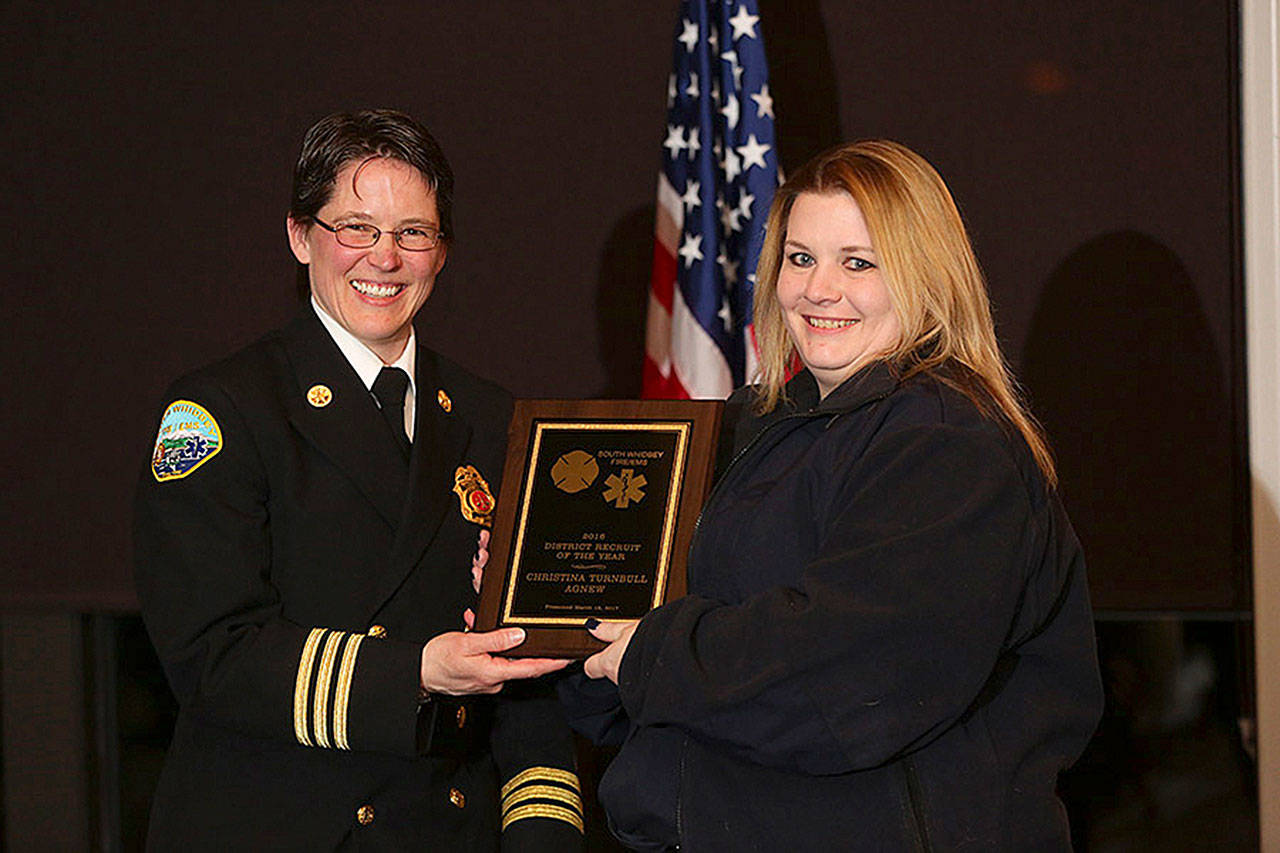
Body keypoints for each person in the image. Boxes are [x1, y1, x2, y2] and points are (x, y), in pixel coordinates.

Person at [571, 140, 1104, 850]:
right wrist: (557, 611)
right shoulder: (745, 428)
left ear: (924, 276)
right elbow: (642, 673)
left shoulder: (948, 444)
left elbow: (849, 679)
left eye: (859, 262)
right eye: (800, 258)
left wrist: (655, 656)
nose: (819, 289)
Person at [134, 110, 584, 850]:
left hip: (449, 826)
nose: (384, 258)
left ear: (442, 251)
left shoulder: (491, 414)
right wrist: (416, 670)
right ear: (299, 236)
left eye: (413, 232)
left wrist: (544, 831)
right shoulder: (221, 410)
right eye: (355, 227)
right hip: (284, 824)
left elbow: (526, 662)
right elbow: (212, 655)